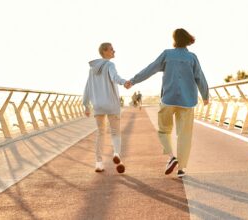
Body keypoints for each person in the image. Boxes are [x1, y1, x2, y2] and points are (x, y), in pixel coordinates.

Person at [128, 28, 209, 178]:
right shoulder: (192, 57)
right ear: (187, 39)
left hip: (168, 99)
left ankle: (172, 157)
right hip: (187, 101)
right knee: (184, 135)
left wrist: (133, 81)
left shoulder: (167, 54)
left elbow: (150, 69)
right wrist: (205, 96)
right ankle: (181, 169)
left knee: (164, 130)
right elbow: (200, 77)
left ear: (175, 40)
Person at [83, 42, 130, 173]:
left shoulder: (92, 69)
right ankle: (116, 155)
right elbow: (115, 77)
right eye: (111, 49)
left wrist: (86, 105)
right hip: (111, 104)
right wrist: (124, 82)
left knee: (100, 133)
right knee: (115, 132)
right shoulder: (110, 65)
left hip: (98, 105)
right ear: (105, 51)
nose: (114, 51)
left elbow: (87, 87)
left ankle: (98, 163)